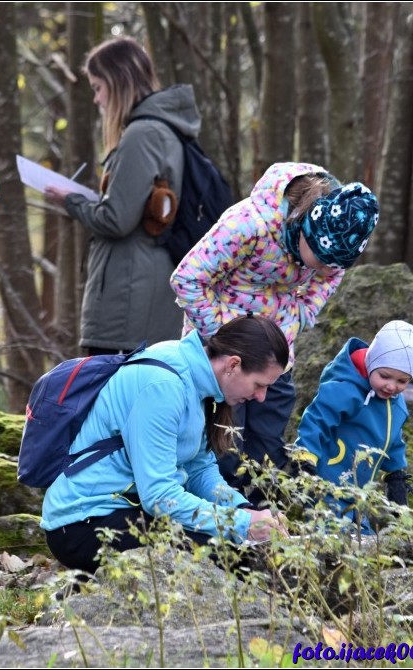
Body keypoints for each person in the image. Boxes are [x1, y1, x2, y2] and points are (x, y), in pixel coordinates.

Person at [170, 163, 379, 504]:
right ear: (306, 230)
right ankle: (217, 526)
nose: (326, 269)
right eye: (323, 258)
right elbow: (187, 279)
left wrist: (300, 314)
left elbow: (331, 276)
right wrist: (223, 337)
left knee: (269, 446)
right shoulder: (249, 225)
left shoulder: (332, 251)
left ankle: (263, 524)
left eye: (336, 262)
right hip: (225, 356)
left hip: (278, 351)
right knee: (223, 447)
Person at [42, 315, 291, 574]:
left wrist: (244, 510)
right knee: (226, 557)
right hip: (84, 523)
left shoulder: (198, 382)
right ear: (233, 364)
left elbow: (198, 469)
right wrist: (242, 524)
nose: (261, 397)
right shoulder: (164, 385)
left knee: (235, 550)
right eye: (259, 385)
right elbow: (159, 497)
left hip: (128, 509)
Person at [43, 37, 191, 355]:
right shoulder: (163, 130)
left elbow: (117, 219)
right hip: (140, 295)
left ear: (118, 82)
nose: (96, 99)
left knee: (109, 400)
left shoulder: (142, 135)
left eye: (98, 87)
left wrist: (71, 200)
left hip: (128, 304)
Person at [291, 320, 413, 530]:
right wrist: (304, 460)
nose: (391, 386)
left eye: (402, 381)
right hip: (327, 484)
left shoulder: (396, 405)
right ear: (371, 364)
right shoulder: (344, 390)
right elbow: (316, 421)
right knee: (329, 538)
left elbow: (394, 440)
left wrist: (396, 475)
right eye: (385, 376)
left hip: (359, 494)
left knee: (362, 542)